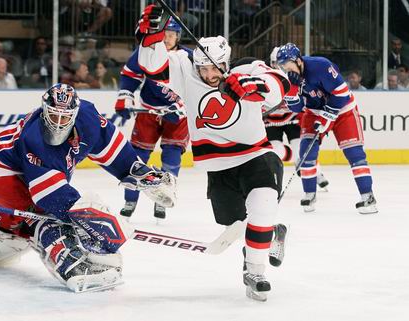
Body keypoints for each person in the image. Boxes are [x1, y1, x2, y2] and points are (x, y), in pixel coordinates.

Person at [134, 5, 289, 301]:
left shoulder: (246, 69)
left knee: (262, 205)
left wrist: (251, 86)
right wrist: (151, 34)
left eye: (212, 68)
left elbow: (279, 85)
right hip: (218, 166)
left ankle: (255, 271)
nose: (207, 74)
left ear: (226, 62)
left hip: (256, 154)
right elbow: (151, 66)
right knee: (235, 223)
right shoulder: (183, 68)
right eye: (202, 68)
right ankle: (270, 232)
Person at [0, 83, 176, 292]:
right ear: (44, 111)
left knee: (40, 218)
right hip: (2, 172)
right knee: (45, 218)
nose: (58, 124)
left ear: (75, 114)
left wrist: (137, 170)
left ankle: (0, 230)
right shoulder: (35, 140)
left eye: (65, 117)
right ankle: (72, 266)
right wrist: (90, 217)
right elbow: (51, 198)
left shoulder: (89, 119)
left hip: (20, 169)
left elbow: (113, 150)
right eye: (53, 116)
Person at [276, 43, 377, 214]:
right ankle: (309, 194)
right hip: (314, 112)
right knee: (306, 152)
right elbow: (296, 108)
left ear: (298, 60)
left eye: (287, 64)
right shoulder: (287, 79)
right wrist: (292, 90)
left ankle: (368, 196)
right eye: (282, 66)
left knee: (355, 154)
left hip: (344, 110)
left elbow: (343, 93)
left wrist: (328, 116)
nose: (286, 69)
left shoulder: (321, 65)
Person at [114, 15, 190, 220]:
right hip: (149, 111)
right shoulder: (148, 52)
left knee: (172, 156)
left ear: (178, 37)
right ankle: (130, 199)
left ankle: (162, 199)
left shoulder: (189, 57)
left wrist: (183, 108)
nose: (167, 39)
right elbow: (131, 74)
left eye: (172, 35)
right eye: (164, 34)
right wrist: (125, 96)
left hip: (178, 115)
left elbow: (199, 87)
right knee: (138, 155)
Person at [266, 47, 329, 190]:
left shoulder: (295, 76)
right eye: (276, 63)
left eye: (282, 63)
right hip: (271, 122)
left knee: (300, 146)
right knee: (275, 149)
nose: (279, 66)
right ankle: (297, 160)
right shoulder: (266, 77)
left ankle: (316, 172)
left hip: (292, 119)